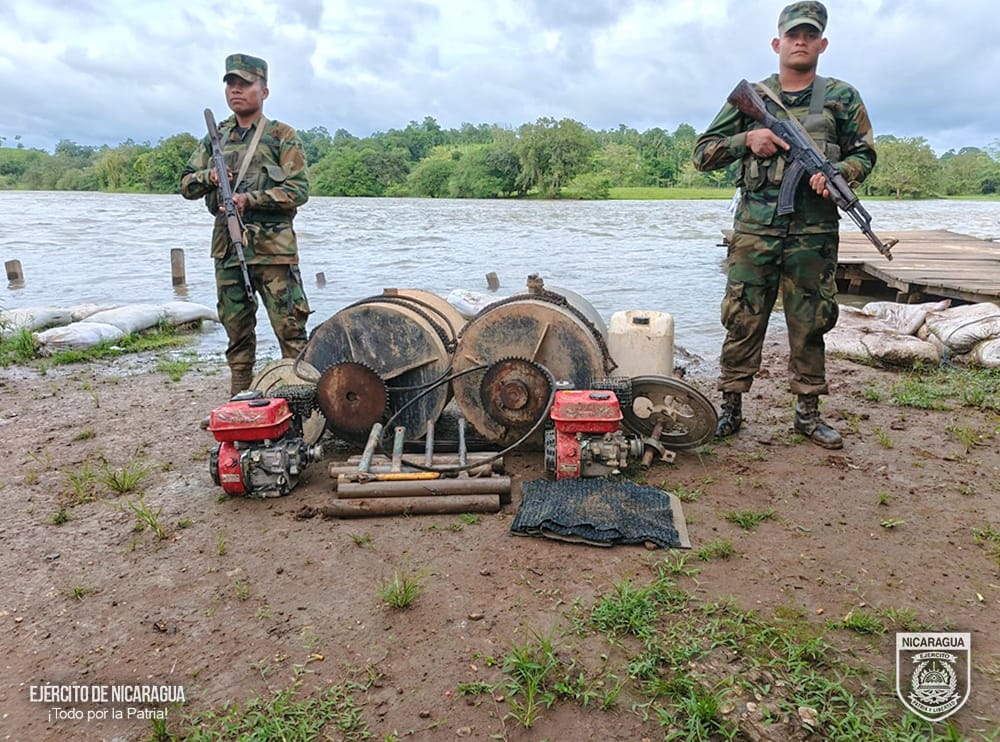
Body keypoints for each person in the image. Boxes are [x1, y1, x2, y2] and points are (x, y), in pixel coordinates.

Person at [692, 1, 877, 450]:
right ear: (777, 43)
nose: (801, 41)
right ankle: (731, 407)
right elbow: (703, 154)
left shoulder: (841, 97)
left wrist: (839, 176)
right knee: (742, 314)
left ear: (822, 44)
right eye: (793, 34)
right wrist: (746, 139)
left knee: (811, 319)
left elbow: (865, 155)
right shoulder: (756, 95)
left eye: (810, 35)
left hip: (813, 233)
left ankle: (808, 413)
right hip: (755, 228)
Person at [181, 53, 311, 396]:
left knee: (291, 330)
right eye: (231, 85)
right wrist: (209, 176)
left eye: (245, 84)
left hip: (273, 252)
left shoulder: (282, 135)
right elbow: (184, 185)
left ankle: (305, 404)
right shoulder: (216, 138)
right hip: (227, 248)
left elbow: (298, 191)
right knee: (236, 329)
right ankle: (240, 398)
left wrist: (249, 200)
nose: (236, 91)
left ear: (264, 91)